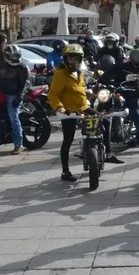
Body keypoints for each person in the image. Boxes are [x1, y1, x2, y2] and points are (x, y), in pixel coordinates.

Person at [48, 44, 90, 182]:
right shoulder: (60, 74)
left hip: (83, 107)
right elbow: (53, 94)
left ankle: (102, 152)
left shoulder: (80, 73)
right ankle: (65, 171)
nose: (74, 61)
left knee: (102, 120)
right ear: (66, 59)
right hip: (69, 111)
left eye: (77, 58)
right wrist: (60, 108)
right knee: (68, 140)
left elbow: (81, 90)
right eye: (71, 58)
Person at [0, 45, 31, 155]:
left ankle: (19, 145)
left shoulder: (22, 67)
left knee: (13, 117)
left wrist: (19, 98)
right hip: (1, 94)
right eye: (12, 57)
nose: (15, 59)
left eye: (16, 56)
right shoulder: (1, 66)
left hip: (14, 95)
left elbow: (25, 84)